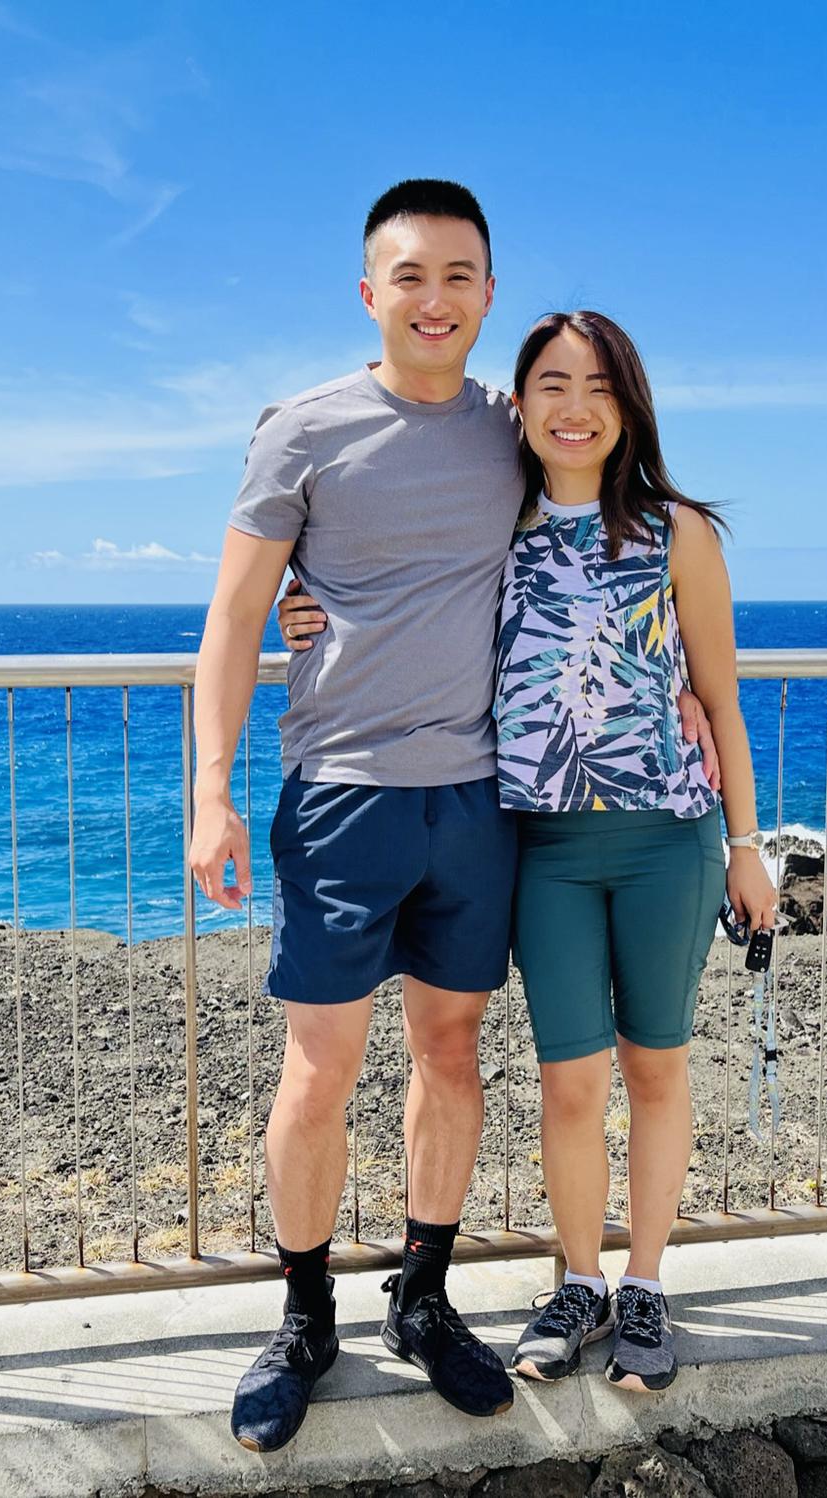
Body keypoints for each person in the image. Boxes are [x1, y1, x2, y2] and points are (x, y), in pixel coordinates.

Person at [279, 309, 775, 1395]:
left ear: (628, 403)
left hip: (669, 841)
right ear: (522, 403)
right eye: (549, 383)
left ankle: (643, 1284)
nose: (573, 405)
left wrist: (747, 843)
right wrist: (304, 595)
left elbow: (723, 699)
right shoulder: (497, 517)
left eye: (597, 385)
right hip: (539, 844)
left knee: (653, 1066)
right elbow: (391, 553)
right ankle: (579, 1281)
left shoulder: (675, 529)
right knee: (565, 1082)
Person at [188, 179, 527, 1454]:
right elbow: (232, 615)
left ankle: (423, 1298)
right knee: (317, 1067)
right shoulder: (305, 429)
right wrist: (209, 794)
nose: (433, 300)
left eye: (458, 276)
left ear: (488, 291)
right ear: (369, 291)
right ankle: (301, 1316)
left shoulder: (520, 428)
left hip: (478, 796)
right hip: (338, 794)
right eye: (409, 276)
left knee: (450, 1055)